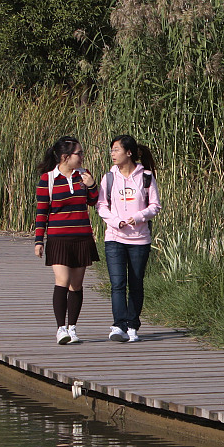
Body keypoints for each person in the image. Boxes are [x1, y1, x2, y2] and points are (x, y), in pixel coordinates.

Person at [34, 136, 99, 344]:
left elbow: (94, 202)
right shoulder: (48, 179)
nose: (81, 157)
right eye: (78, 153)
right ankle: (60, 328)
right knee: (62, 280)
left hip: (81, 236)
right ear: (65, 157)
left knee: (77, 285)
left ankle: (73, 328)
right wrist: (38, 240)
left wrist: (92, 185)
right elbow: (41, 211)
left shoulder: (84, 175)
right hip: (58, 237)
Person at [96, 134, 162, 342]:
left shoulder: (146, 177)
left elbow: (155, 206)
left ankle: (133, 326)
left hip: (139, 240)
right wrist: (116, 221)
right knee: (117, 283)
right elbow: (101, 206)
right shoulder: (109, 177)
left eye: (116, 150)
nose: (112, 154)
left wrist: (138, 217)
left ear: (129, 152)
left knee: (136, 283)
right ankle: (119, 326)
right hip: (114, 237)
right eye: (112, 150)